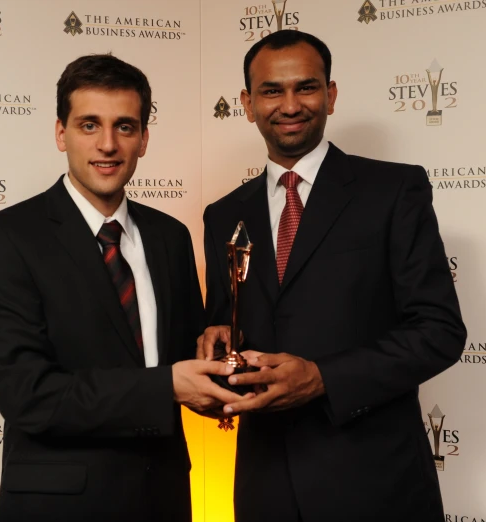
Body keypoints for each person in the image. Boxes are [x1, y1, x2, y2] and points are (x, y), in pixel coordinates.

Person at [200, 31, 467, 522]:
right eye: (271, 91)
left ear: (331, 95)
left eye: (306, 87)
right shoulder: (223, 215)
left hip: (376, 483)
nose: (289, 105)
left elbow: (440, 331)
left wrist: (324, 379)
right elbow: (230, 325)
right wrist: (219, 344)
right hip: (265, 487)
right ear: (247, 102)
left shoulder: (393, 190)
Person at [0, 54, 245, 522]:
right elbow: (26, 395)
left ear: (144, 139)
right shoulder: (8, 237)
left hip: (164, 497)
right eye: (89, 125)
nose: (108, 144)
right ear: (61, 133)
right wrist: (167, 385)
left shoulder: (169, 236)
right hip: (58, 507)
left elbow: (182, 367)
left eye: (125, 127)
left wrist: (218, 362)